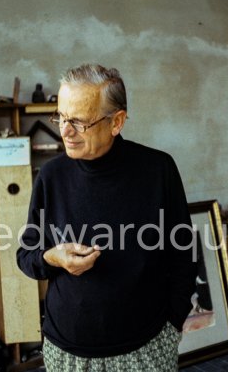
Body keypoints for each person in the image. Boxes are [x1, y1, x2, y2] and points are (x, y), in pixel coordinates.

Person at [17, 63, 197, 371]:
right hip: (67, 352)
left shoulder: (158, 170)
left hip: (147, 348)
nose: (65, 131)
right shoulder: (51, 176)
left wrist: (172, 324)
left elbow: (183, 254)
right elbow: (26, 255)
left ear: (117, 122)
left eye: (79, 122)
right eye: (60, 117)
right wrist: (52, 257)